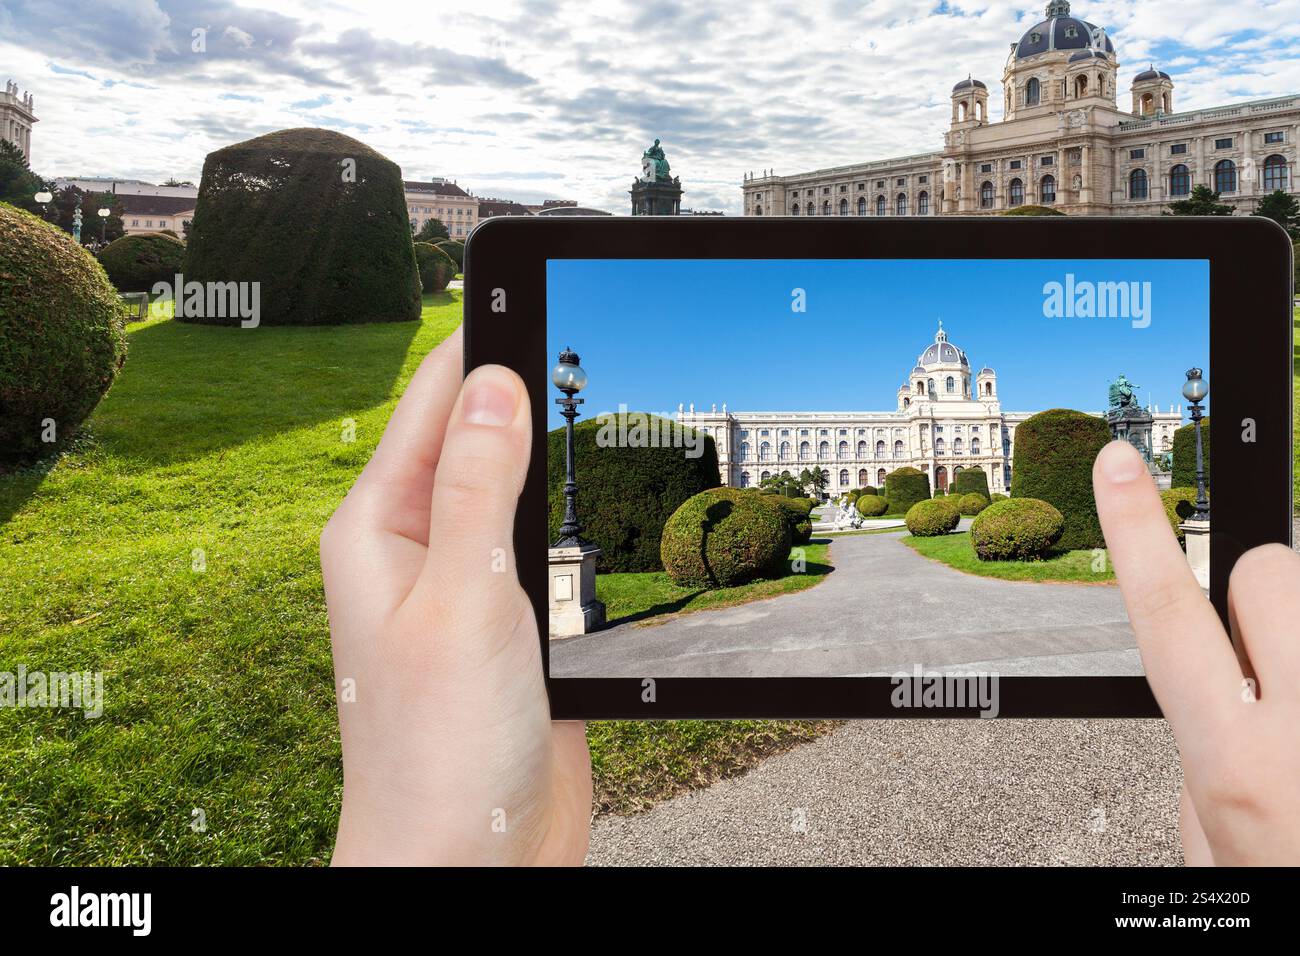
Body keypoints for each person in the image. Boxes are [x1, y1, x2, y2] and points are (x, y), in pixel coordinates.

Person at [322, 331, 1299, 865]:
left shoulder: (979, 415)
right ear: (925, 392)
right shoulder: (890, 422)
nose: (948, 400)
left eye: (955, 390)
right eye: (939, 391)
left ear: (966, 389)